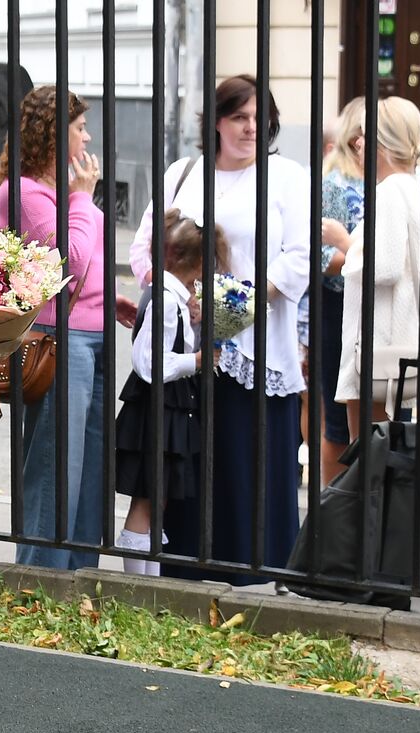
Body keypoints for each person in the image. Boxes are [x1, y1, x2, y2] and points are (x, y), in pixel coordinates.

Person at [129, 74, 311, 585]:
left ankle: (257, 586)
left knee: (250, 471)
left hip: (257, 349)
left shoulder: (287, 177)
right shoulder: (183, 173)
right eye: (239, 117)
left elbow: (298, 260)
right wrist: (176, 297)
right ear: (215, 122)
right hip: (184, 350)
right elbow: (143, 250)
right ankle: (185, 579)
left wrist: (226, 308)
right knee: (190, 470)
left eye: (260, 118)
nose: (252, 128)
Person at [331, 97, 420, 586]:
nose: (358, 143)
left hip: (378, 346)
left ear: (383, 141)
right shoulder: (414, 189)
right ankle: (405, 546)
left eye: (367, 135)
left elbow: (381, 267)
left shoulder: (389, 193)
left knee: (371, 451)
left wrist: (346, 250)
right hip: (401, 344)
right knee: (376, 453)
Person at [0, 86, 111, 570]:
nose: (87, 137)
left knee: (90, 468)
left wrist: (111, 298)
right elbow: (70, 260)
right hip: (59, 339)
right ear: (55, 135)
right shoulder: (23, 193)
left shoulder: (58, 193)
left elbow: (88, 267)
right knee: (55, 465)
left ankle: (80, 577)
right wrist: (83, 199)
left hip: (95, 333)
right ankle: (39, 578)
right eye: (80, 128)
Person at [115, 210, 229, 574]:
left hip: (166, 408)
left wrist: (192, 322)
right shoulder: (164, 300)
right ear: (197, 265)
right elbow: (149, 362)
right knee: (147, 500)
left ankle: (149, 580)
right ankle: (135, 589)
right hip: (157, 408)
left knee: (156, 498)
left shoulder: (171, 297)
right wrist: (196, 360)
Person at [316, 97, 367, 485]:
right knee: (339, 417)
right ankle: (333, 510)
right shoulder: (335, 184)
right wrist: (360, 253)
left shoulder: (389, 182)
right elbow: (320, 259)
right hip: (340, 307)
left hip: (381, 308)